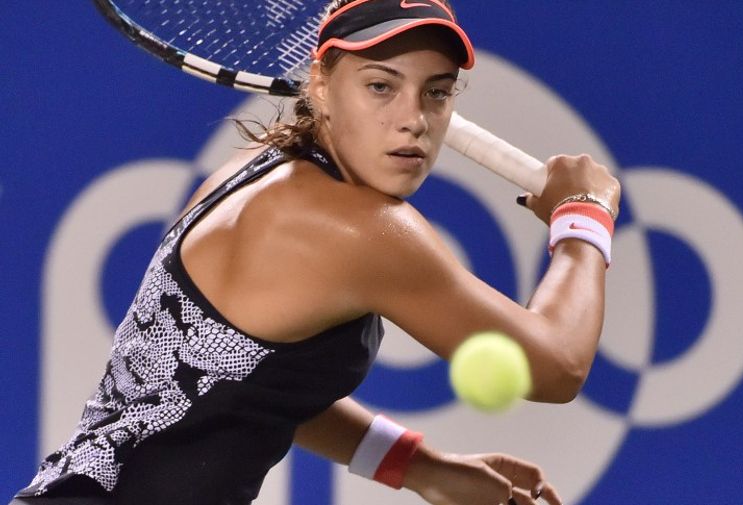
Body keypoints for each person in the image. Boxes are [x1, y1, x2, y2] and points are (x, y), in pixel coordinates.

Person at [12, 0, 620, 504]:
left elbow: (247, 387)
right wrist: (584, 216)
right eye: (381, 86)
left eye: (436, 93)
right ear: (322, 85)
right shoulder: (363, 230)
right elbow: (557, 366)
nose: (412, 119)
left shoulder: (255, 168)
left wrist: (420, 467)